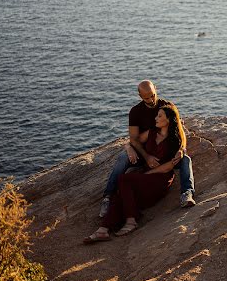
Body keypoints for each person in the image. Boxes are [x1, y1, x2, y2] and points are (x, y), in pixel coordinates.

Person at [84, 103, 185, 243]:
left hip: (160, 180)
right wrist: (128, 147)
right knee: (119, 196)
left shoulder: (174, 140)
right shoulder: (151, 133)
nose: (155, 118)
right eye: (156, 115)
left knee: (124, 180)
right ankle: (103, 230)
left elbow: (168, 167)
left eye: (160, 116)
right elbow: (133, 141)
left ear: (168, 120)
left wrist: (147, 175)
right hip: (143, 179)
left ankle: (131, 221)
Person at [99, 80, 195, 217]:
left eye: (153, 95)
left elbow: (181, 131)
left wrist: (181, 149)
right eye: (146, 98)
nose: (151, 100)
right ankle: (108, 197)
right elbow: (134, 139)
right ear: (140, 96)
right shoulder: (135, 112)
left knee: (185, 159)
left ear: (156, 89)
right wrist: (145, 156)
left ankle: (187, 194)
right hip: (146, 152)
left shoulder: (167, 106)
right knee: (122, 158)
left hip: (166, 152)